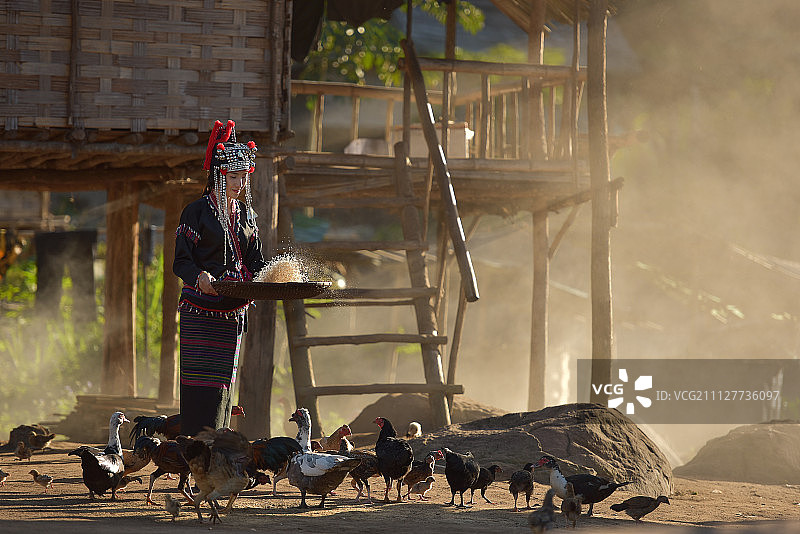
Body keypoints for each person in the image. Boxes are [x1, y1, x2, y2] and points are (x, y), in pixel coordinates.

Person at [172, 119, 266, 436]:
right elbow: (181, 262)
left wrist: (275, 277)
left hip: (233, 311)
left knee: (224, 384)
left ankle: (217, 447)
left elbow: (255, 261)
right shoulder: (195, 212)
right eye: (233, 177)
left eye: (244, 176)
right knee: (199, 385)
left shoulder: (247, 216)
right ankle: (194, 448)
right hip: (199, 310)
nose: (240, 183)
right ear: (218, 175)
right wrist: (199, 276)